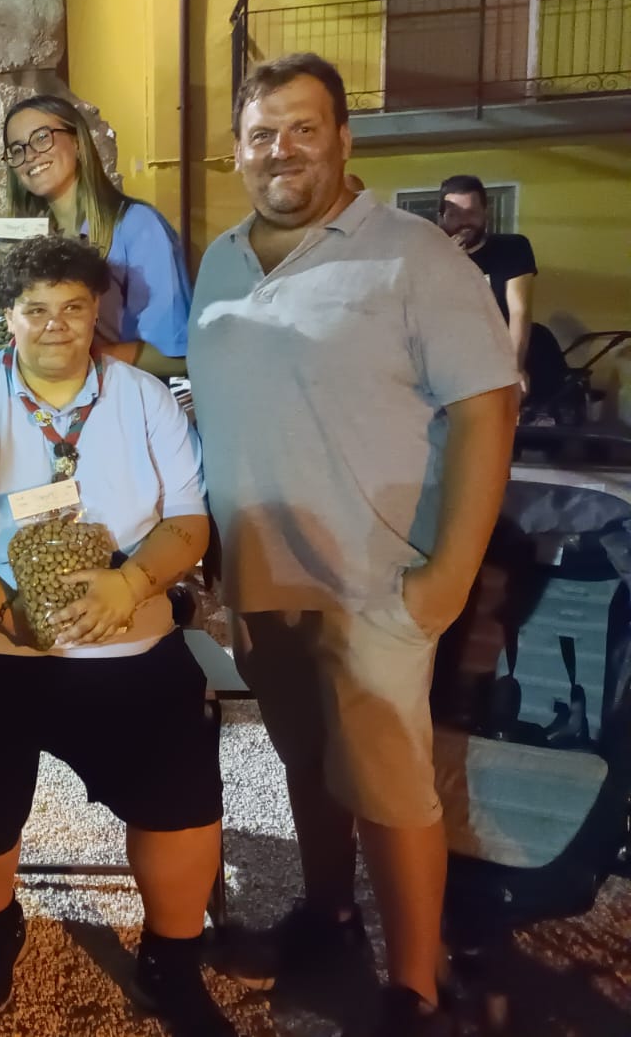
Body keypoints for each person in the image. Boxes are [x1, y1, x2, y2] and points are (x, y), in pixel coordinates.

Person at [188, 54, 518, 1037]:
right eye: (261, 133)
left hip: (376, 574)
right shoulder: (221, 258)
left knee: (388, 782)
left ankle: (413, 987)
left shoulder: (413, 255)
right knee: (305, 757)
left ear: (342, 138)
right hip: (262, 572)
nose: (281, 149)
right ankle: (328, 916)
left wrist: (447, 575)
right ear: (237, 152)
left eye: (303, 127)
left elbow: (487, 408)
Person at [0, 237, 232, 1035]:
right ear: (7, 317)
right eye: (35, 309)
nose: (54, 325)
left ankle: (171, 959)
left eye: (73, 308)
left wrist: (130, 584)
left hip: (121, 633)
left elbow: (188, 519)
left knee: (180, 791)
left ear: (96, 311)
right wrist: (5, 608)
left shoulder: (143, 398)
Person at [3, 95, 192, 377]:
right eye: (17, 149)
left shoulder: (138, 226)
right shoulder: (29, 240)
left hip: (117, 395)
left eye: (42, 138)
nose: (30, 155)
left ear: (77, 142)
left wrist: (78, 354)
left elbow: (178, 357)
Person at [438, 174, 538, 396]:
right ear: (441, 218)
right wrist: (450, 262)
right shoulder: (428, 257)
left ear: (485, 212)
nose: (464, 221)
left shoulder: (512, 248)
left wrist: (514, 369)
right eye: (454, 214)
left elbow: (519, 311)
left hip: (502, 354)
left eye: (471, 212)